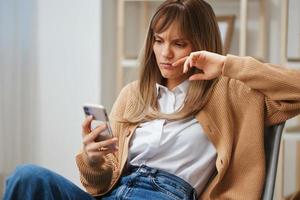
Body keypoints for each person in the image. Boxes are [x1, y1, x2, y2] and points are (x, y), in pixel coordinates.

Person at [3, 0, 300, 199]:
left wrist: (226, 66)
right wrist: (94, 160)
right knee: (26, 177)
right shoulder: (133, 94)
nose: (164, 53)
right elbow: (99, 185)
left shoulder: (233, 92)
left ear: (202, 46)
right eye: (158, 41)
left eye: (178, 44)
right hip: (115, 193)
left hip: (166, 194)